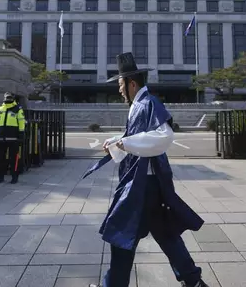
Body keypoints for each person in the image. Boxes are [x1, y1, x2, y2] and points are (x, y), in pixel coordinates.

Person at [84, 52, 209, 287]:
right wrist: (116, 142)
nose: (119, 90)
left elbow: (164, 136)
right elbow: (134, 137)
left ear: (132, 84)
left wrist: (126, 143)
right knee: (166, 236)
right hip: (148, 184)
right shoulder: (139, 104)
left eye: (121, 84)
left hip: (142, 186)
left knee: (121, 234)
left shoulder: (149, 102)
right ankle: (193, 281)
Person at [0, 92, 25, 184]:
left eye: (10, 97)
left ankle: (14, 177)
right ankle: (0, 177)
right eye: (7, 97)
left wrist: (21, 133)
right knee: (0, 159)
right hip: (0, 137)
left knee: (14, 159)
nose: (8, 99)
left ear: (13, 98)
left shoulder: (18, 109)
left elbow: (21, 122)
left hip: (13, 138)